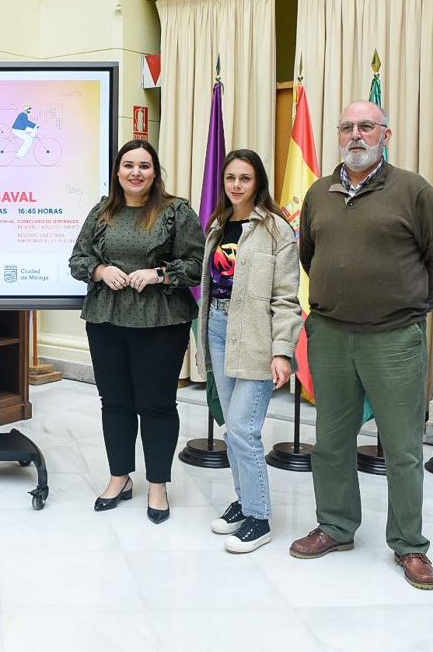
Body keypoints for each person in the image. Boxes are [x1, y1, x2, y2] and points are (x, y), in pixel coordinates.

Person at [289, 101, 433, 590]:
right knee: (330, 442)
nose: (355, 135)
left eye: (366, 126)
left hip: (393, 339)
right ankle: (336, 527)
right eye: (347, 127)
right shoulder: (319, 193)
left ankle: (409, 545)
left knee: (402, 447)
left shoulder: (413, 190)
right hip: (331, 336)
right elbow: (309, 255)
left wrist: (406, 310)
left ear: (386, 133)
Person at [69, 139, 203, 523]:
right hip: (106, 319)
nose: (135, 172)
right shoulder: (102, 212)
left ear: (155, 172)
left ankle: (157, 485)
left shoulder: (175, 212)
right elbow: (77, 259)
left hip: (161, 321)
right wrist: (99, 270)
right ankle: (119, 478)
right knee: (115, 402)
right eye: (128, 165)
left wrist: (160, 274)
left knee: (157, 405)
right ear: (117, 171)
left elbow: (197, 263)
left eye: (144, 166)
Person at [198, 149, 302, 553]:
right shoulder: (218, 225)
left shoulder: (277, 229)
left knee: (244, 428)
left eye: (245, 178)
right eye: (230, 178)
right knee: (231, 426)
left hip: (258, 335)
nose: (237, 185)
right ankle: (242, 503)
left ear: (258, 181)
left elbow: (286, 297)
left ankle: (259, 518)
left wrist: (282, 351)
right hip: (219, 329)